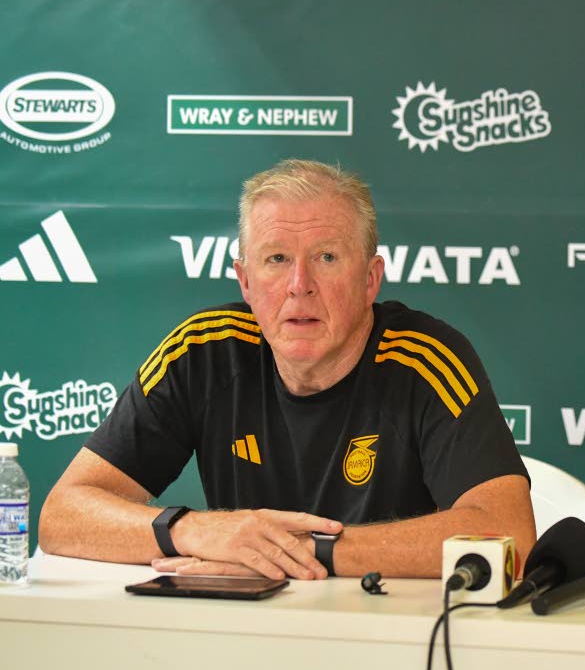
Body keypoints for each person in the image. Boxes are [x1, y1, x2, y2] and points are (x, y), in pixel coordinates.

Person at [39, 159, 535, 580]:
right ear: (246, 281)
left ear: (370, 279)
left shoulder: (427, 358)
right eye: (277, 259)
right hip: (244, 638)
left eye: (326, 257)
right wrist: (200, 532)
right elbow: (62, 516)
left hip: (392, 639)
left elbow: (510, 533)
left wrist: (300, 553)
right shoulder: (203, 350)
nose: (301, 285)